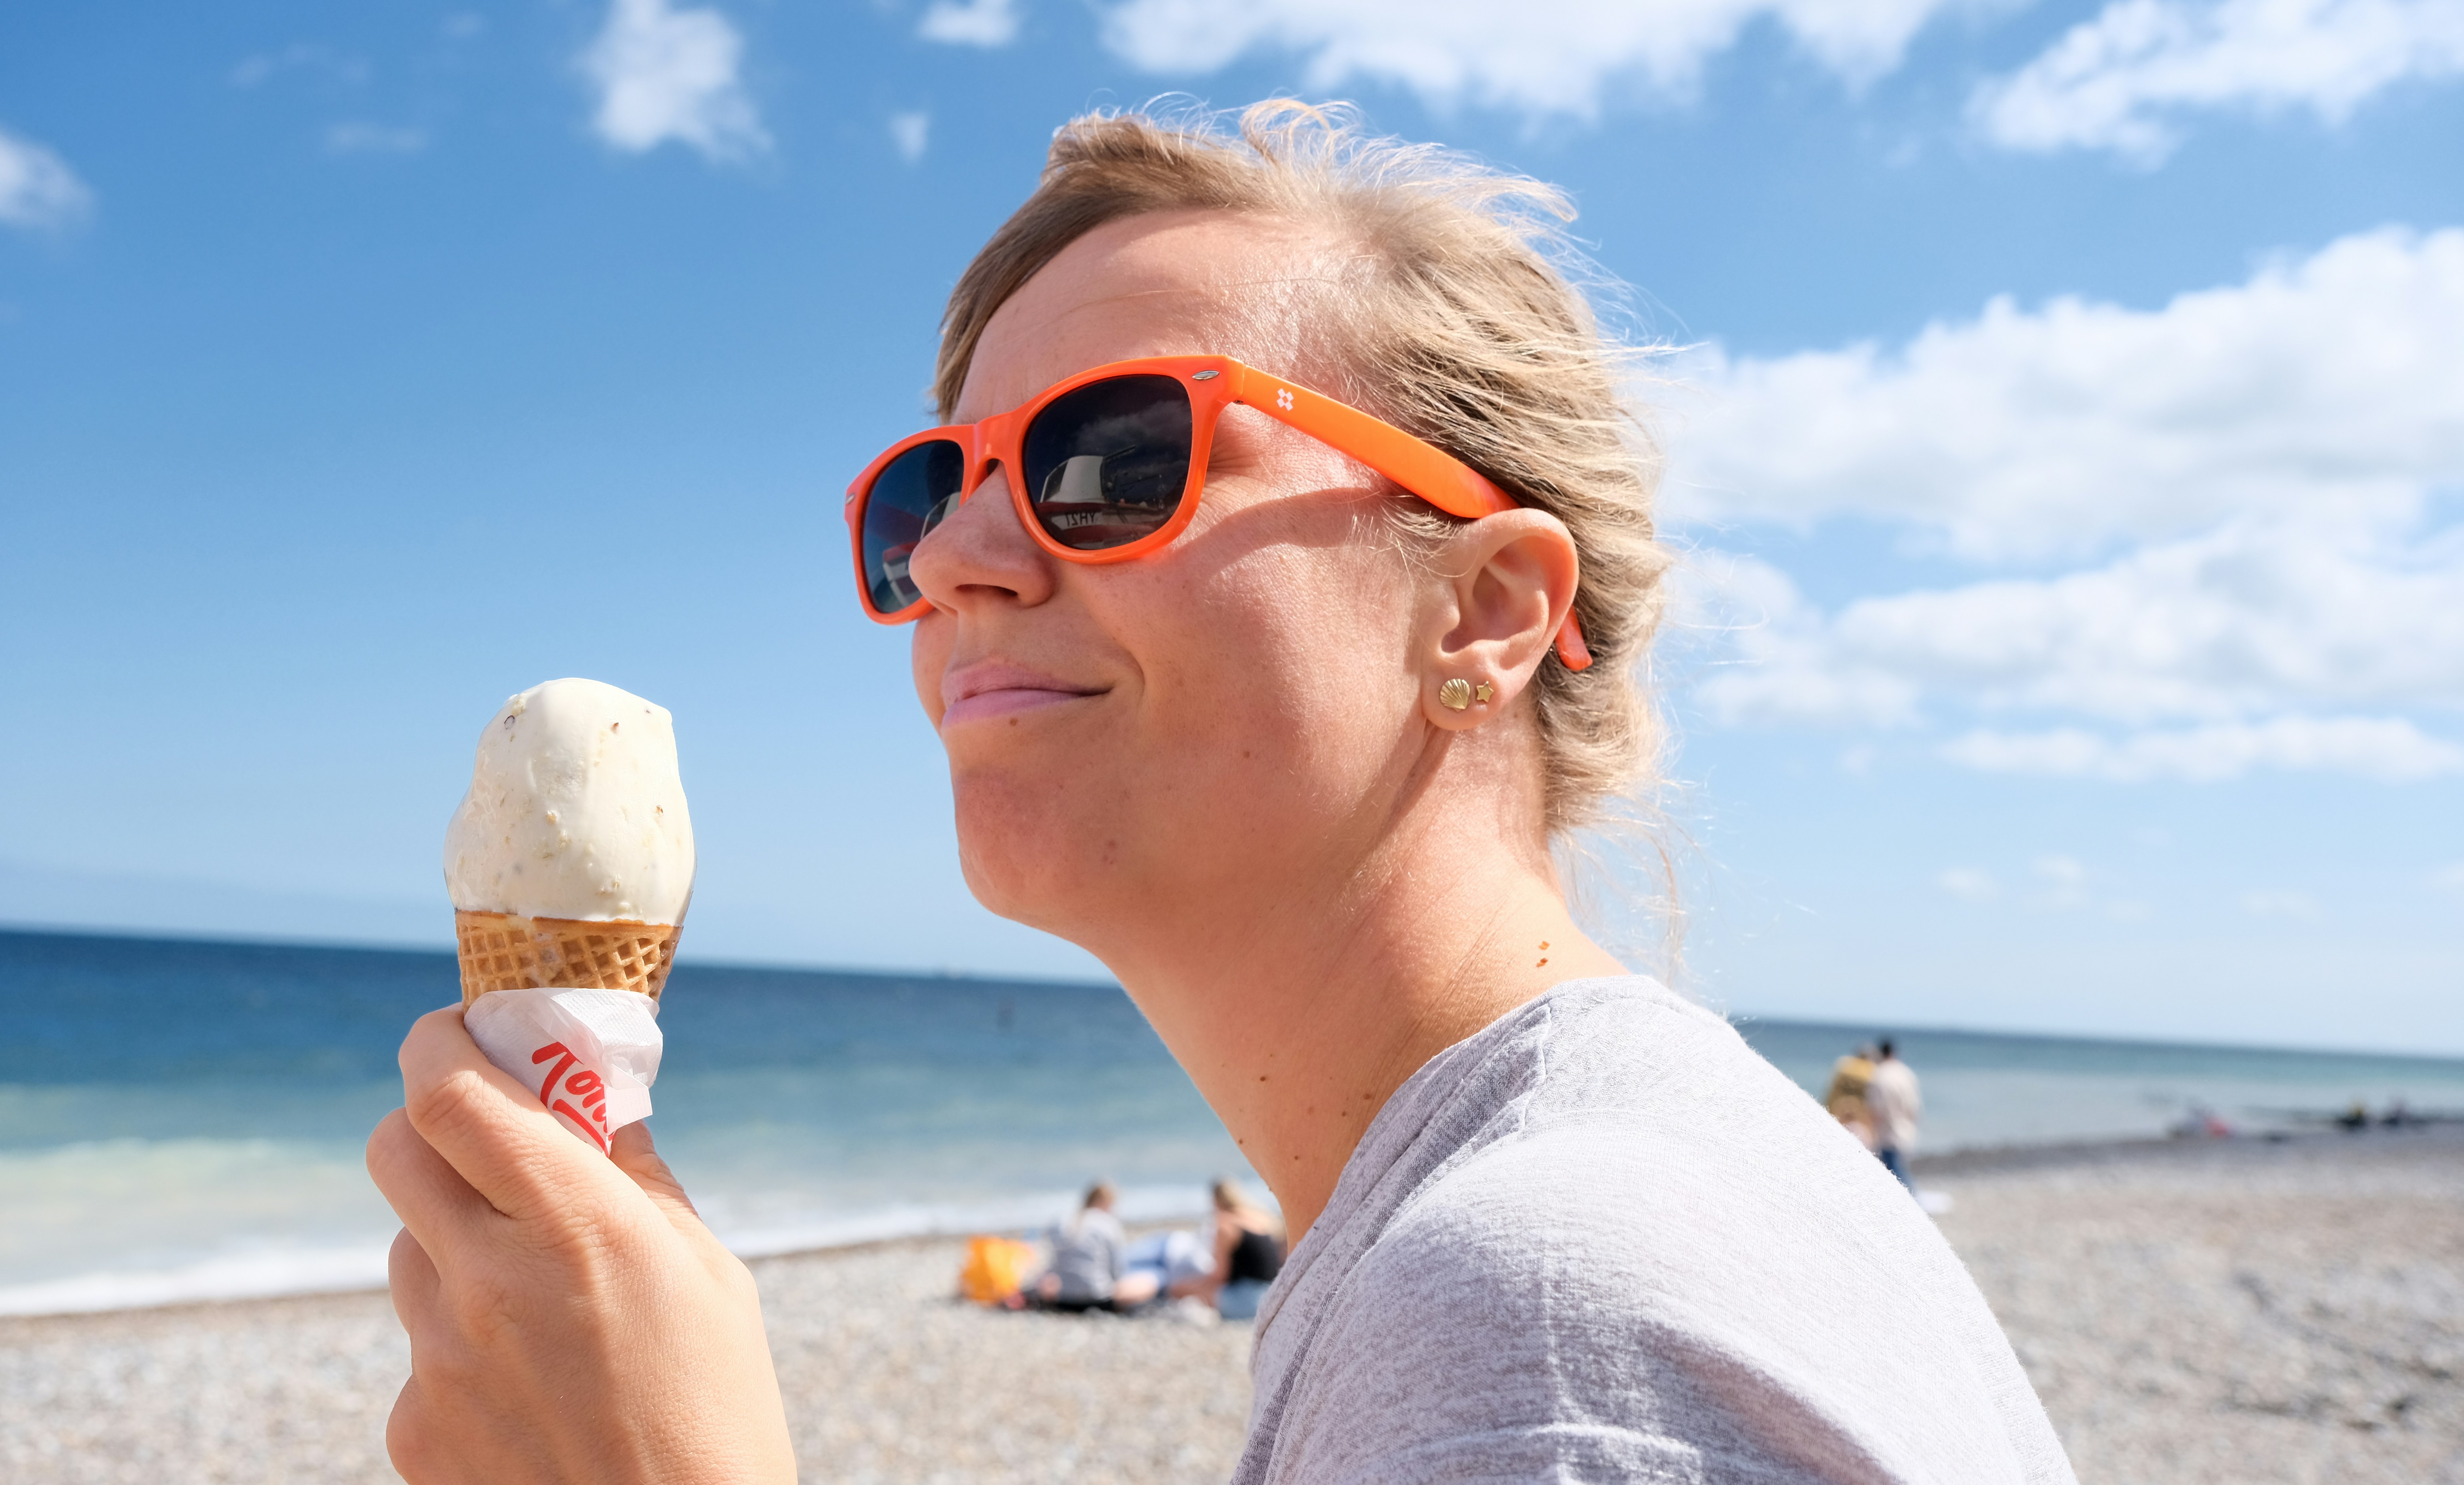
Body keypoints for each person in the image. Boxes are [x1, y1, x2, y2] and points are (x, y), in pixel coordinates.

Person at [368, 101, 2076, 1483]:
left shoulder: (1544, 1325)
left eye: (1107, 461)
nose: (959, 560)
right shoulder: (1577, 1211)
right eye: (925, 495)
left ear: (1482, 610)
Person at [1033, 1180, 1160, 1310]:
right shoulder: (1108, 1223)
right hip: (1099, 1300)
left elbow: (1052, 1263)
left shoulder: (1063, 1221)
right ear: (1108, 1202)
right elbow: (1118, 1268)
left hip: (1063, 1299)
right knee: (1151, 1280)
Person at [1170, 1177, 1285, 1320]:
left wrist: (1195, 1282)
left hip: (1249, 1300)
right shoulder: (1260, 1217)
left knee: (1179, 1288)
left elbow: (1220, 1276)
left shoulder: (1226, 1224)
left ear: (1215, 1201)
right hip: (1275, 1295)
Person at [1867, 1038, 1923, 1188]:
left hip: (1888, 1133)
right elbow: (1915, 1106)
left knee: (1896, 1179)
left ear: (1880, 1054)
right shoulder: (1906, 1073)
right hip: (1907, 1130)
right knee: (1901, 1174)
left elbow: (1876, 1110)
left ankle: (1911, 1209)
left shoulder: (1880, 1075)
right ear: (1894, 1053)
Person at [1826, 1042, 1880, 1149]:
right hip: (1862, 1119)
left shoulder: (1844, 1067)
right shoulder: (1873, 1071)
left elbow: (1832, 1093)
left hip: (1839, 1113)